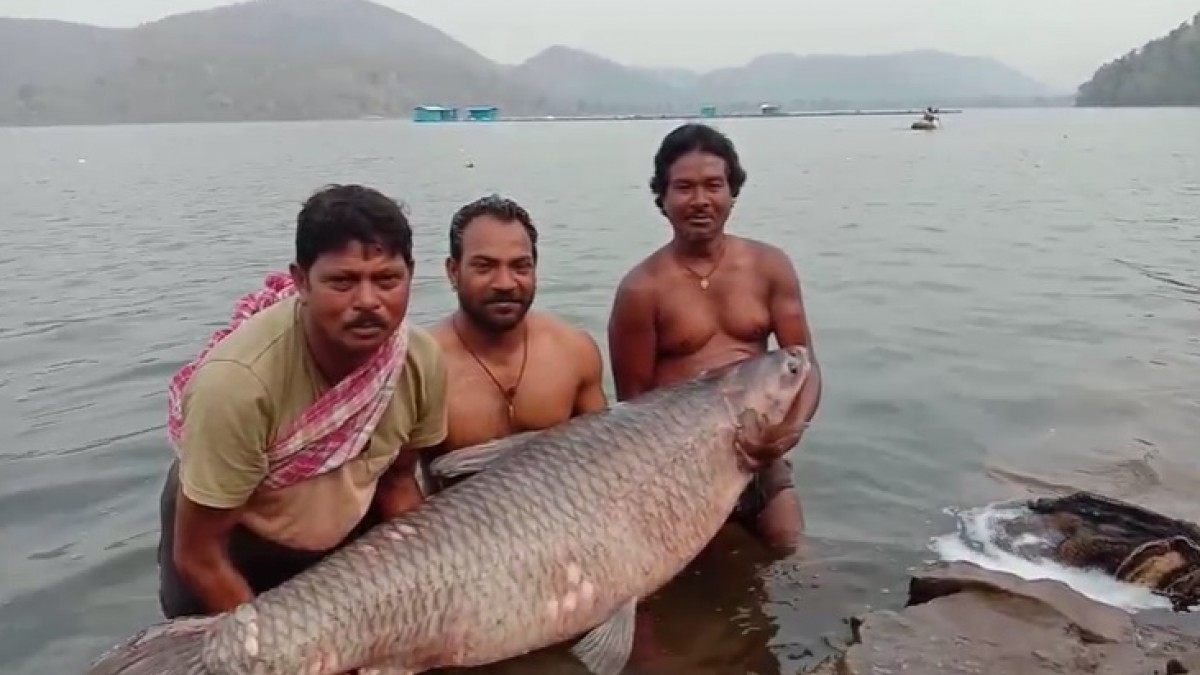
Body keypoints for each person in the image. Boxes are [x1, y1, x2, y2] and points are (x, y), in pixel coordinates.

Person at [156, 184, 448, 619]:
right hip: (232, 553)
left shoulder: (418, 360)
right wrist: (269, 643)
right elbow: (200, 556)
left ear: (411, 275)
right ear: (301, 282)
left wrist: (428, 595)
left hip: (340, 541)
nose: (368, 302)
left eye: (387, 280)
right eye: (342, 281)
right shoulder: (238, 385)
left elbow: (398, 483)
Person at [606, 123, 822, 555]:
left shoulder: (769, 267)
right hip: (679, 467)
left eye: (713, 185)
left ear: (732, 191)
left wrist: (786, 434)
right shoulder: (641, 290)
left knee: (792, 549)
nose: (700, 200)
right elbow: (633, 407)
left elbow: (805, 366)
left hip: (758, 453)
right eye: (684, 187)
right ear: (662, 198)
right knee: (712, 568)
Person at [424, 194, 607, 490]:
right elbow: (397, 484)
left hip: (569, 509)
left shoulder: (574, 351)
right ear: (453, 272)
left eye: (520, 267)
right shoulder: (422, 367)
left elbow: (603, 458)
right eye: (485, 267)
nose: (505, 283)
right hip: (460, 516)